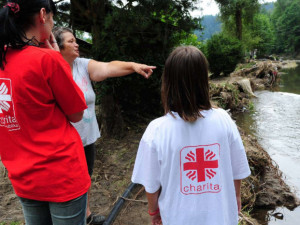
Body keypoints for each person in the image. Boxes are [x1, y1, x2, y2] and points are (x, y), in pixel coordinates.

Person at [131, 46, 251, 225]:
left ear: (168, 82)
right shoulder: (224, 120)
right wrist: (236, 197)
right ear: (204, 80)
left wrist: (154, 212)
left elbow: (151, 185)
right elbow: (237, 169)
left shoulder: (156, 130)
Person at [53, 27, 156, 225]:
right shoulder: (53, 68)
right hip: (64, 142)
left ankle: (87, 215)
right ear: (59, 47)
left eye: (76, 40)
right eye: (71, 41)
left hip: (86, 137)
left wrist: (133, 66)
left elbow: (108, 68)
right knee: (68, 185)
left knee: (86, 178)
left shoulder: (81, 65)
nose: (77, 44)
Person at [0, 1, 91, 225]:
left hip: (22, 176)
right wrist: (57, 59)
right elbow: (76, 114)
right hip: (62, 175)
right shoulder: (48, 59)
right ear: (43, 15)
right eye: (52, 17)